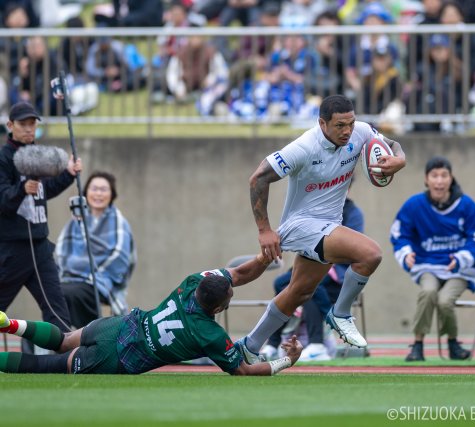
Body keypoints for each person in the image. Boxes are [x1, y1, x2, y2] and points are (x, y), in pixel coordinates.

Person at [237, 94, 406, 363]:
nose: (347, 131)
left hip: (329, 225)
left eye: (350, 123)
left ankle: (249, 346)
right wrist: (264, 230)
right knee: (370, 254)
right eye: (340, 125)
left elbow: (392, 145)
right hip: (301, 225)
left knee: (299, 292)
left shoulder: (361, 132)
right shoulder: (304, 147)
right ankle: (341, 314)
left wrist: (400, 159)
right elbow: (258, 178)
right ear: (322, 123)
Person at [0, 254, 302, 375]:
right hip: (119, 357)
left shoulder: (191, 282)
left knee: (63, 340)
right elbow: (245, 371)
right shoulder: (210, 334)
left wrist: (263, 257)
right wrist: (286, 361)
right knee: (48, 365)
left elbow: (236, 273)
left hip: (120, 324)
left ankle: (10, 323)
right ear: (218, 308)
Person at [390, 156, 475, 361]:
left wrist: (462, 258)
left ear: (451, 179)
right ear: (426, 179)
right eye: (434, 175)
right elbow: (399, 234)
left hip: (459, 269)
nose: (439, 181)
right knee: (428, 292)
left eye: (444, 175)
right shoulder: (414, 205)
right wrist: (406, 253)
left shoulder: (466, 205)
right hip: (427, 265)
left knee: (445, 301)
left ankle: (453, 344)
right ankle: (417, 345)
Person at [0, 101, 82, 334]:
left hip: (40, 248)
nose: (28, 129)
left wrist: (69, 174)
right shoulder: (3, 158)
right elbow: (3, 201)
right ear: (10, 126)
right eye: (23, 124)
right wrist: (22, 190)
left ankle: (65, 353)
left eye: (32, 124)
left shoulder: (37, 155)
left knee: (58, 312)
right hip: (12, 250)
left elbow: (46, 191)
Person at [262, 192, 365, 362]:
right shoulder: (318, 207)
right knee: (281, 283)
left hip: (338, 276)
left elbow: (354, 250)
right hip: (315, 264)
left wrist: (328, 254)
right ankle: (273, 344)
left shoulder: (353, 213)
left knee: (308, 285)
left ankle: (317, 344)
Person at [55, 171, 135, 329]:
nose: (98, 193)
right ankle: (53, 339)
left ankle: (89, 334)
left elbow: (119, 258)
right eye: (94, 189)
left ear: (112, 194)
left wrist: (86, 273)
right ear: (86, 193)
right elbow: (61, 253)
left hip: (101, 281)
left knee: (71, 293)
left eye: (103, 189)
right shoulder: (76, 221)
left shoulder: (119, 222)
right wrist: (76, 270)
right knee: (53, 294)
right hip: (70, 279)